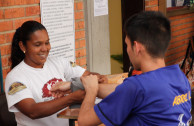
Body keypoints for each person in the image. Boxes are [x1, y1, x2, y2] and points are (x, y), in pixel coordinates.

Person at [51, 11, 192, 126]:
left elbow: (84, 121)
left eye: (127, 45)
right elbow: (122, 91)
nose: (127, 50)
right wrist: (74, 85)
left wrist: (91, 92)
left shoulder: (136, 87)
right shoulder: (179, 77)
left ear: (136, 47)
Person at [5, 20, 106, 126]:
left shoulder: (59, 62)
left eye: (47, 43)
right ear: (22, 46)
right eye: (37, 44)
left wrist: (73, 85)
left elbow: (97, 78)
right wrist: (72, 98)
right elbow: (32, 111)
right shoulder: (15, 77)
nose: (45, 49)